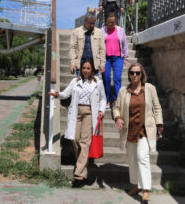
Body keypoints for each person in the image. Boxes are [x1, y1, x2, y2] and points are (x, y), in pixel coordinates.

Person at [49, 59, 106, 182]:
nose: (85, 70)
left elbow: (103, 99)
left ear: (92, 70)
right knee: (74, 138)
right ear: (81, 69)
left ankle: (80, 171)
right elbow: (66, 94)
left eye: (88, 68)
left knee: (85, 141)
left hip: (90, 113)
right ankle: (83, 164)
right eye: (84, 68)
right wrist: (57, 94)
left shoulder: (98, 83)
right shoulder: (75, 81)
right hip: (76, 111)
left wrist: (102, 110)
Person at [113, 63, 163, 201]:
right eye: (132, 73)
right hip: (129, 130)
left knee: (143, 158)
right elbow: (116, 108)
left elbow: (157, 108)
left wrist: (159, 125)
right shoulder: (123, 91)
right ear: (129, 75)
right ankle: (136, 185)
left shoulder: (149, 89)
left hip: (144, 130)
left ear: (142, 75)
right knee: (132, 160)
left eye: (137, 73)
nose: (135, 75)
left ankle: (146, 189)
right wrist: (117, 118)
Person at [101, 13, 130, 108]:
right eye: (108, 22)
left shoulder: (121, 30)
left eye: (112, 22)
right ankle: (107, 100)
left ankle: (116, 100)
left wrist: (125, 58)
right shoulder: (102, 31)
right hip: (106, 58)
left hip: (118, 58)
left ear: (115, 21)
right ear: (106, 22)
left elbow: (124, 44)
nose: (110, 24)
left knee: (117, 78)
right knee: (106, 78)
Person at [69, 12, 106, 77]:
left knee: (94, 86)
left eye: (93, 23)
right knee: (81, 86)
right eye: (90, 23)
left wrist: (102, 65)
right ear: (85, 21)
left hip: (95, 65)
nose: (92, 25)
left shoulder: (99, 32)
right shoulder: (76, 31)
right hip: (81, 65)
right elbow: (72, 48)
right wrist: (72, 63)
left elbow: (102, 49)